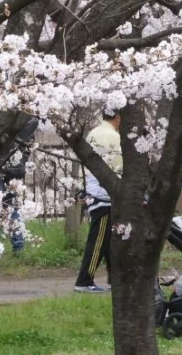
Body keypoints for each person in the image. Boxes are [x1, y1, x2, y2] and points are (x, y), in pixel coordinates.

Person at [74, 111, 121, 294]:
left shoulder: (94, 133)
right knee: (99, 240)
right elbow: (119, 166)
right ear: (118, 116)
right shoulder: (113, 136)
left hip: (94, 190)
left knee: (109, 240)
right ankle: (84, 280)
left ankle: (114, 279)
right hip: (104, 195)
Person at [0, 116, 39, 263]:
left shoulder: (5, 120)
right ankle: (18, 246)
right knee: (12, 208)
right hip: (16, 171)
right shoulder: (31, 123)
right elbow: (26, 149)